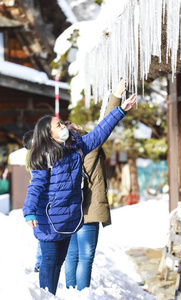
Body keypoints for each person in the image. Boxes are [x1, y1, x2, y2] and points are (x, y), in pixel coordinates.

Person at [23, 92, 137, 295]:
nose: (64, 127)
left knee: (58, 262)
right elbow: (36, 186)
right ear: (49, 135)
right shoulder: (44, 156)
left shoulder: (76, 147)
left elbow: (99, 133)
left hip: (69, 219)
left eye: (62, 123)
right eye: (59, 125)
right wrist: (29, 211)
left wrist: (120, 110)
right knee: (49, 263)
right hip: (49, 219)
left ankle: (52, 296)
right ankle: (45, 296)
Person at [64, 80, 126, 291]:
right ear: (75, 132)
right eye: (76, 126)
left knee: (72, 255)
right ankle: (81, 294)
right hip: (89, 209)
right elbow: (106, 122)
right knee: (86, 257)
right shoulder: (88, 144)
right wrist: (116, 96)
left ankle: (71, 293)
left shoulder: (64, 152)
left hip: (71, 211)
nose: (81, 127)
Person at [23, 130, 42, 272]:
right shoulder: (35, 154)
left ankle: (40, 262)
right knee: (45, 232)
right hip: (41, 195)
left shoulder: (30, 154)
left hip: (39, 195)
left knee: (44, 231)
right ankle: (40, 262)